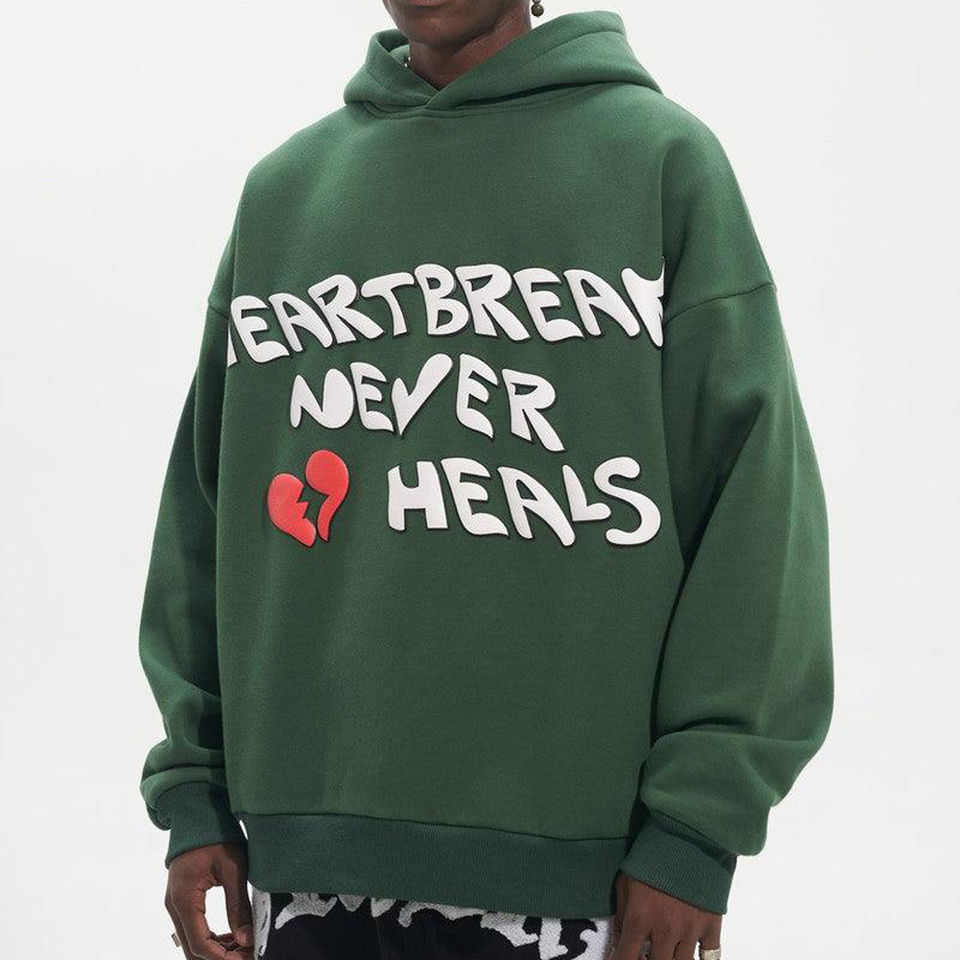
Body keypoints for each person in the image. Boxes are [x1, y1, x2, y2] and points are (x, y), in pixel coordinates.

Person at [139, 2, 833, 958]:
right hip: (305, 877)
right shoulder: (286, 194)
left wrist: (696, 830)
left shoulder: (659, 163)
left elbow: (757, 515)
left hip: (592, 887)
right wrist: (196, 795)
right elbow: (203, 517)